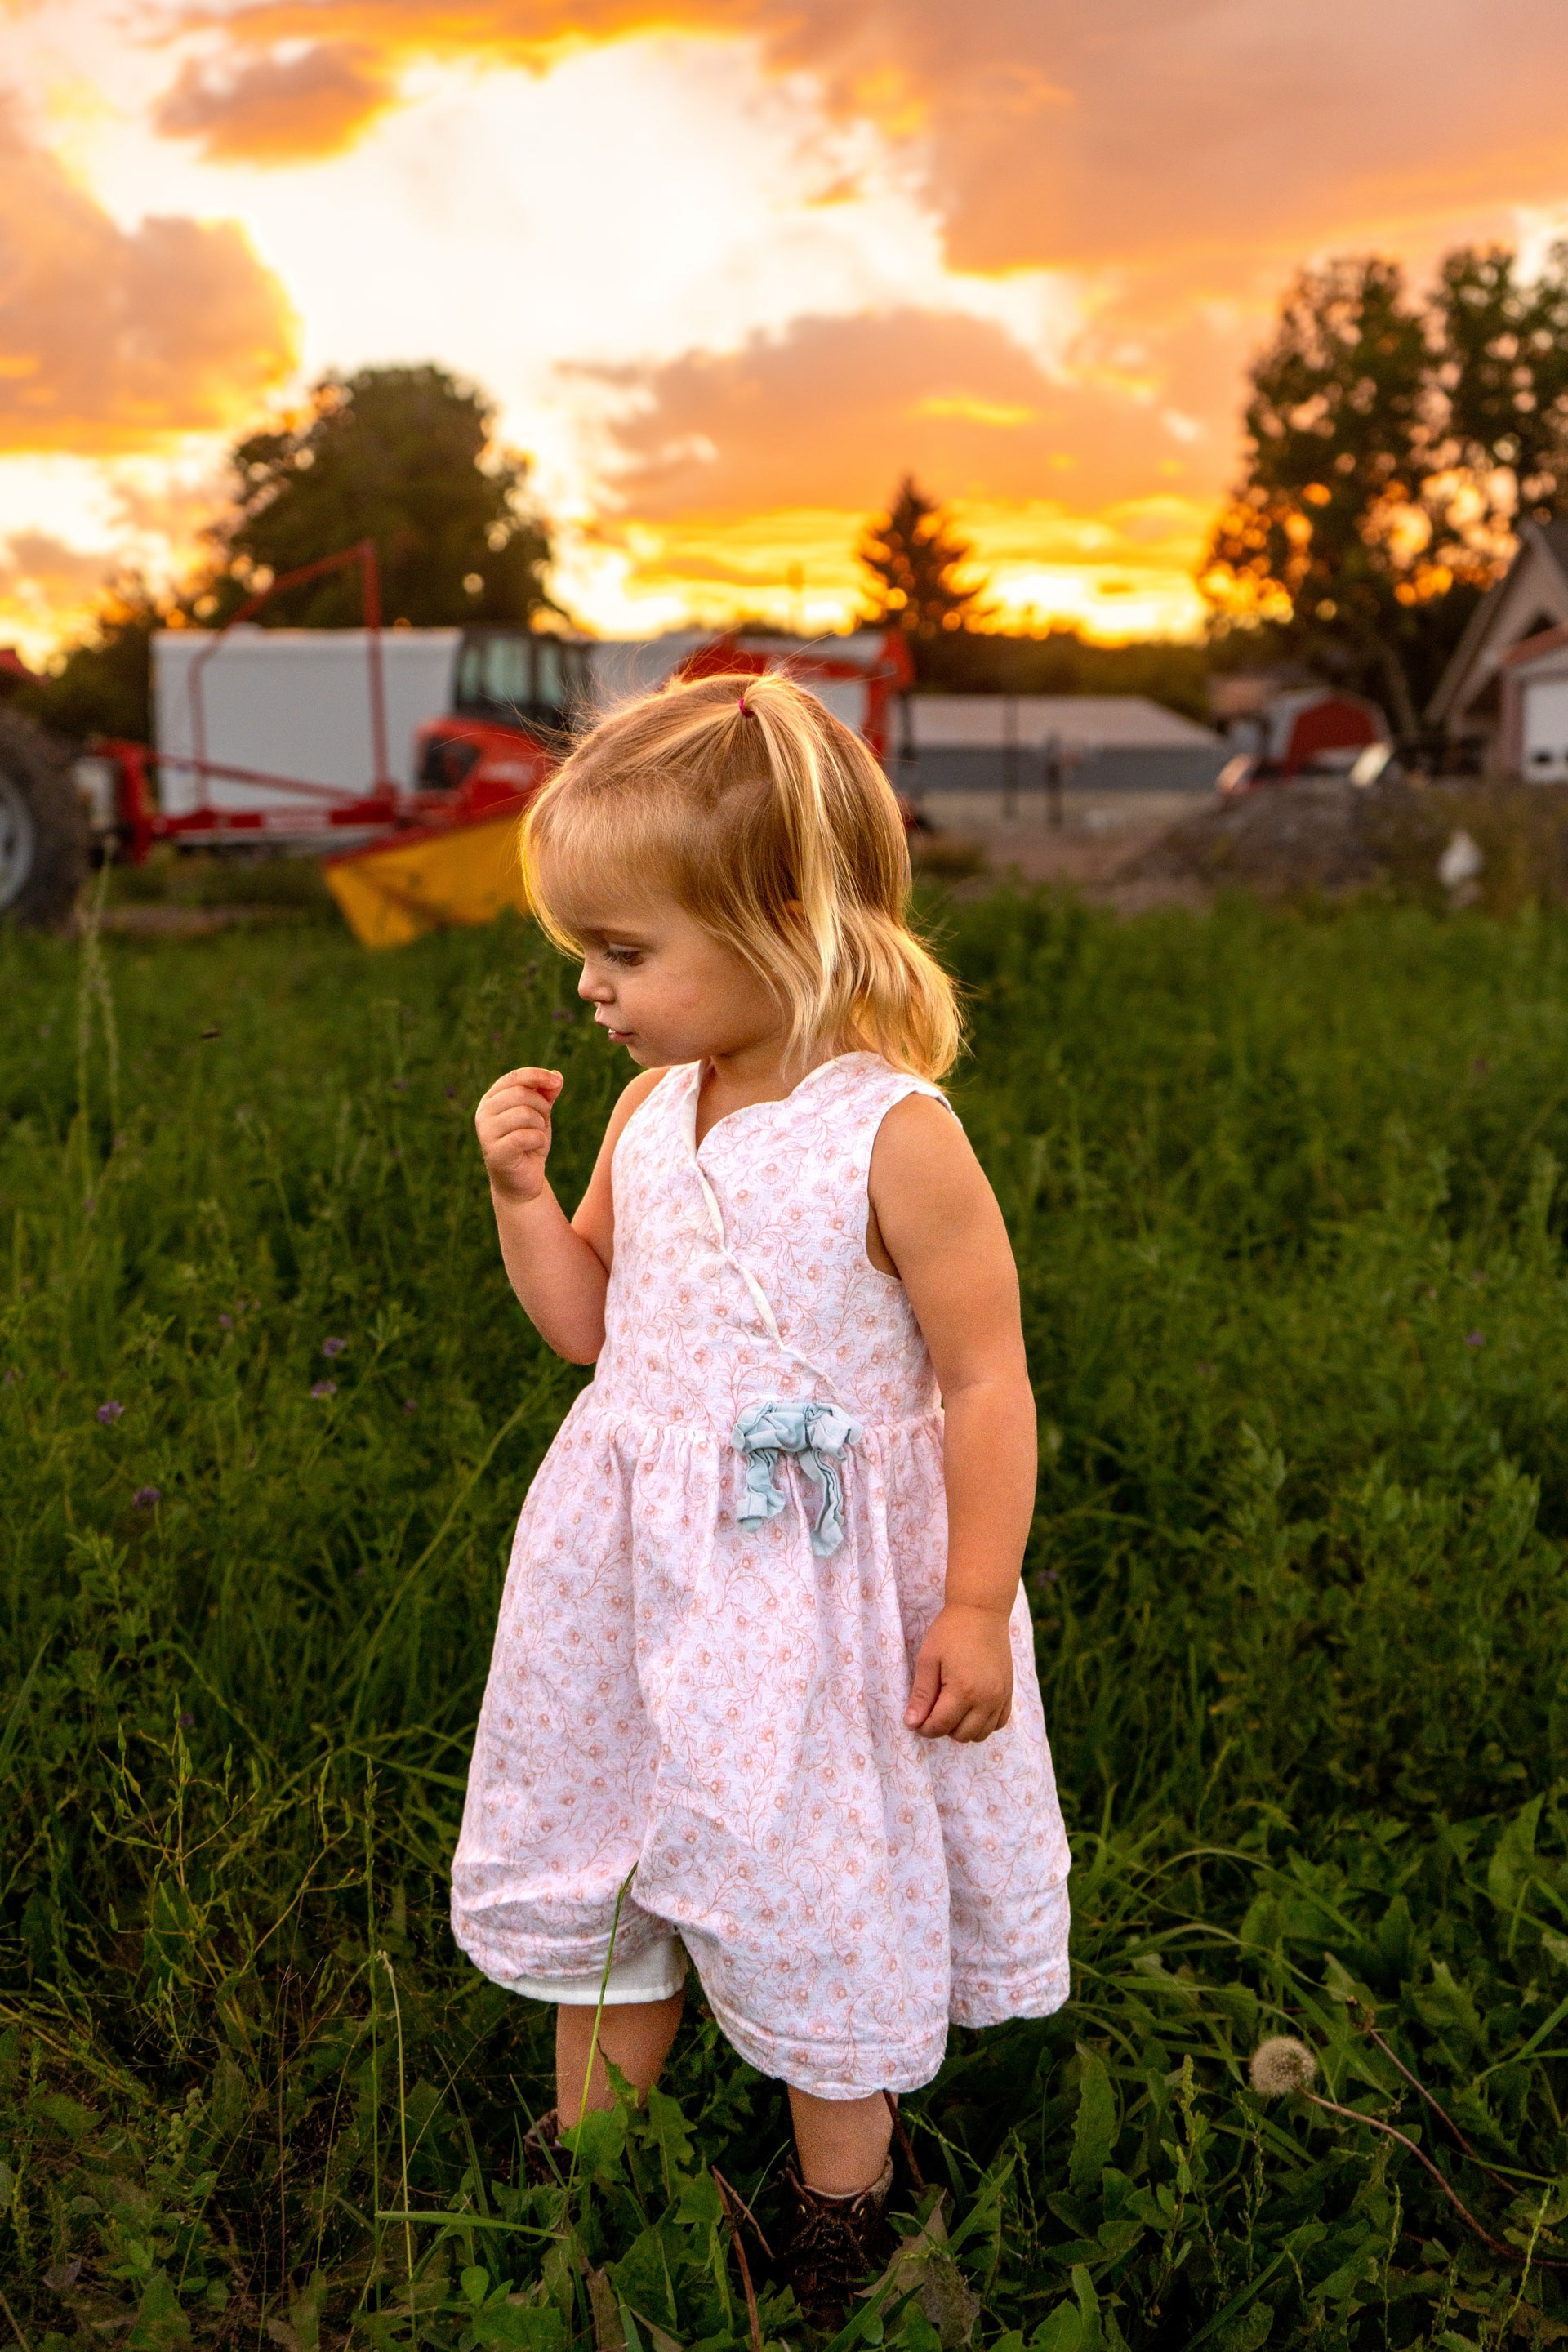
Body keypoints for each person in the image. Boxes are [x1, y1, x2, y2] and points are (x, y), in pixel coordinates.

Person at [451, 669, 1070, 2315]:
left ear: (784, 922)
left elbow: (987, 1381)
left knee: (813, 1876)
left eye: (623, 950)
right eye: (583, 950)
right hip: (636, 1573)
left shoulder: (896, 1138)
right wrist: (523, 1199)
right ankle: (592, 2171)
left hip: (814, 1600)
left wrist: (972, 1604)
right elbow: (590, 1327)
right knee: (613, 1845)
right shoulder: (653, 1111)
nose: (590, 986)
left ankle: (841, 2205)